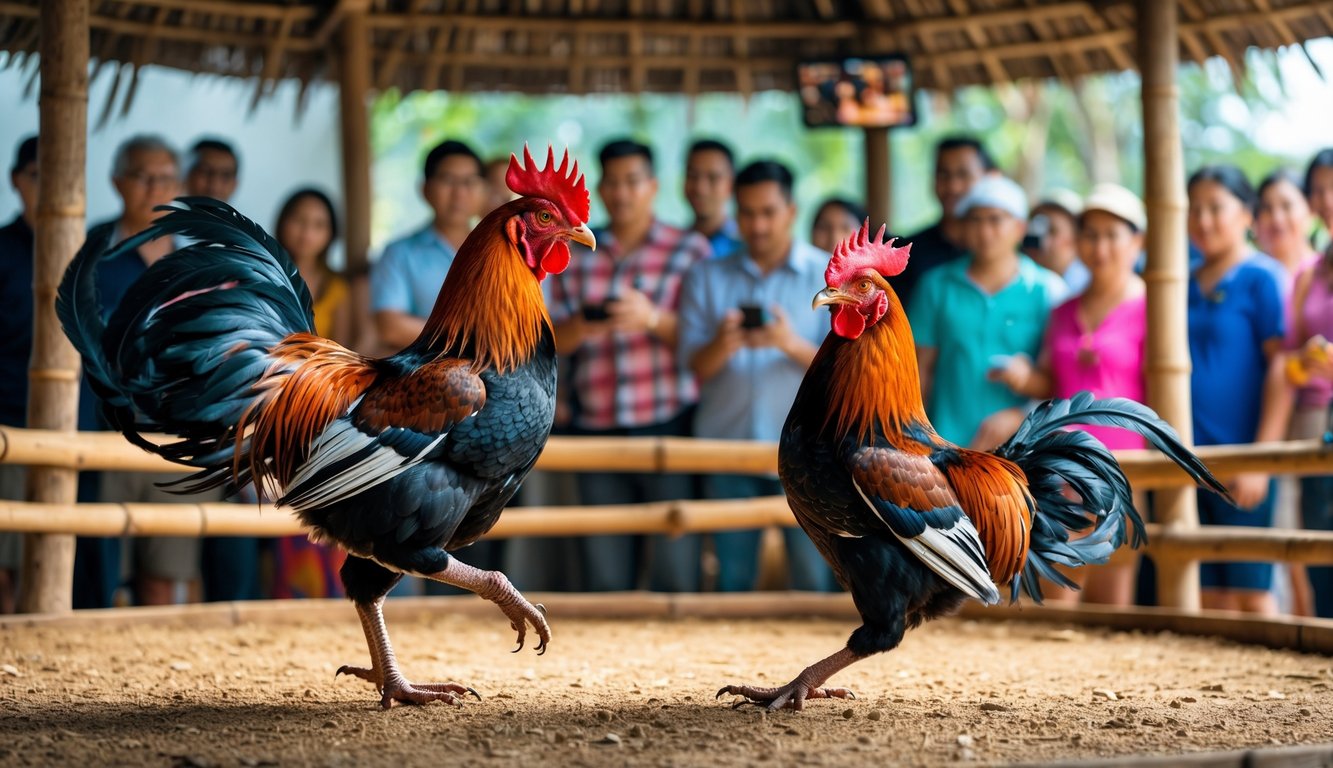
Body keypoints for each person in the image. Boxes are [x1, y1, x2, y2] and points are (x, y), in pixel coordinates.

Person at [546, 138, 710, 592]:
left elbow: (709, 341)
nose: (622, 192)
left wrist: (652, 319)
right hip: (594, 429)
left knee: (678, 570)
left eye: (632, 181)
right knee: (605, 573)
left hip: (670, 424)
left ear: (654, 186)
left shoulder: (689, 249)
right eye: (613, 182)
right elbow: (545, 341)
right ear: (600, 187)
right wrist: (580, 327)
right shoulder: (575, 250)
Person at [677, 160, 835, 593]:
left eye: (768, 212)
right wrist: (722, 344)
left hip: (807, 453)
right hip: (725, 445)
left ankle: (817, 661)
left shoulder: (829, 277)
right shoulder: (704, 276)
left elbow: (846, 374)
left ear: (792, 211)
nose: (757, 224)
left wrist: (789, 343)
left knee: (814, 577)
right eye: (746, 212)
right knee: (732, 578)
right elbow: (694, 366)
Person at [990, 183, 1148, 606]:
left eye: (1112, 235)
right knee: (1060, 596)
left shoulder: (1153, 306)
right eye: (1090, 235)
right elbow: (1050, 381)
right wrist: (1024, 379)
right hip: (1061, 464)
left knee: (1112, 601)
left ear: (1138, 241)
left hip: (1124, 465)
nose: (1100, 247)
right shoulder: (1063, 308)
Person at [91, 135, 227, 606]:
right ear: (117, 182)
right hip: (103, 434)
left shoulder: (201, 263)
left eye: (166, 177)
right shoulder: (89, 257)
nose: (155, 187)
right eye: (143, 176)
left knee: (167, 578)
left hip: (179, 435)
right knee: (98, 574)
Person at [1186, 165, 1287, 616]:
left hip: (1244, 459)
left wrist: (1262, 461)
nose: (1203, 220)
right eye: (1194, 209)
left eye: (1216, 208)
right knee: (1207, 596)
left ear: (1247, 215)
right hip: (1189, 458)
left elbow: (1282, 367)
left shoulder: (1262, 278)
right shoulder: (1180, 281)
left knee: (1253, 593)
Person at [907, 174, 1065, 448]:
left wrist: (1022, 414)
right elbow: (919, 372)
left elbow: (1063, 380)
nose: (984, 230)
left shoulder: (1048, 291)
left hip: (1024, 451)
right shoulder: (936, 286)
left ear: (1019, 227)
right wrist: (914, 439)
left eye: (995, 219)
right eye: (974, 220)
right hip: (946, 449)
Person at [268, 188, 350, 599]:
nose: (306, 233)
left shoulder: (341, 289)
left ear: (330, 234)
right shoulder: (262, 278)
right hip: (270, 408)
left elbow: (356, 353)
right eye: (299, 221)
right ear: (282, 222)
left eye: (318, 225)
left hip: (330, 414)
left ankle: (328, 607)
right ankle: (282, 600)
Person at [1276, 150, 1333, 618]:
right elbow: (1289, 360)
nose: (1327, 199)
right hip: (1311, 418)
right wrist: (1304, 363)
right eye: (1318, 189)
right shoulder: (1309, 273)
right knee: (1315, 529)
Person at [371, 139, 484, 351]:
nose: (459, 192)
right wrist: (474, 343)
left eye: (469, 182)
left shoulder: (505, 251)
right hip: (426, 377)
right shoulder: (399, 253)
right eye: (448, 180)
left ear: (483, 189)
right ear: (425, 189)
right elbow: (391, 327)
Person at [0, 136, 37, 613]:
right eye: (37, 174)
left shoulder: (86, 250)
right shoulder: (3, 249)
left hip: (73, 423)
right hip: (7, 418)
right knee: (4, 567)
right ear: (16, 180)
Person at [897, 136, 996, 307]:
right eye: (943, 175)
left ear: (991, 178)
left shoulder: (1003, 252)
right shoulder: (906, 255)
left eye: (963, 175)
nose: (953, 186)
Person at [1255, 168, 1320, 294]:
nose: (1277, 218)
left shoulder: (1325, 273)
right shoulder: (1247, 274)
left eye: (1287, 206)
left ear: (1311, 209)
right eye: (1267, 208)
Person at [1024, 189, 1089, 296]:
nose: (1042, 240)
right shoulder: (1030, 280)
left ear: (1076, 238)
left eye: (1052, 231)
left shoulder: (1085, 285)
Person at [683, 139, 741, 258]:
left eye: (713, 178)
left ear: (731, 185)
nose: (700, 189)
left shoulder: (745, 246)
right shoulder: (673, 243)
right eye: (693, 176)